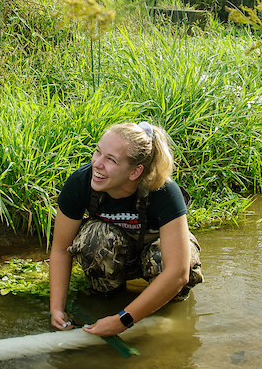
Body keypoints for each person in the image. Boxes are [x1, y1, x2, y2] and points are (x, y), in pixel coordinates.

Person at [49, 121, 204, 336]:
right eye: (98, 152)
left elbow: (177, 273)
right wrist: (56, 308)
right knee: (96, 237)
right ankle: (107, 299)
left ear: (135, 172)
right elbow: (60, 249)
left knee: (165, 261)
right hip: (115, 253)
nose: (97, 164)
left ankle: (165, 313)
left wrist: (123, 320)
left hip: (155, 258)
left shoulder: (164, 192)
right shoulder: (80, 182)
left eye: (111, 160)